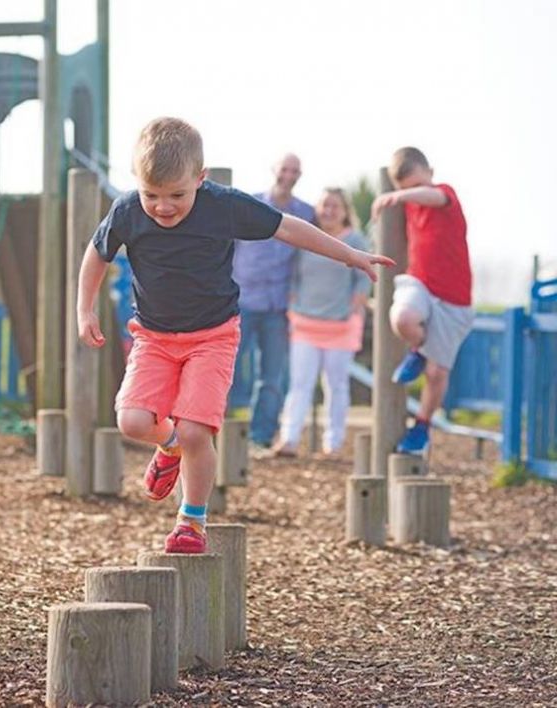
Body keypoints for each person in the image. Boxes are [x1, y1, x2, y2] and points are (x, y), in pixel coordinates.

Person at [76, 117, 393, 553]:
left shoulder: (221, 206)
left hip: (212, 336)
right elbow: (97, 253)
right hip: (153, 337)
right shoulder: (128, 211)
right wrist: (85, 308)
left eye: (177, 195)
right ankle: (168, 446)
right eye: (152, 195)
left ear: (200, 179)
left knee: (195, 431)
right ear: (137, 182)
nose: (163, 207)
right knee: (132, 422)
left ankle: (191, 520)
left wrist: (347, 254)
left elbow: (286, 227)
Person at [372, 147, 474, 455]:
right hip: (420, 283)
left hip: (454, 300)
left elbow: (431, 196)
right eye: (405, 188)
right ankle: (418, 349)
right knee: (402, 318)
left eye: (417, 184)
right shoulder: (407, 205)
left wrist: (401, 195)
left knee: (436, 373)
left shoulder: (443, 194)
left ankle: (422, 426)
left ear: (430, 172)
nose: (412, 193)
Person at [273, 188, 371, 457]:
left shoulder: (355, 240)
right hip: (305, 323)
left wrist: (355, 307)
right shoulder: (307, 237)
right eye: (325, 205)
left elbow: (363, 279)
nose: (329, 211)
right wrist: (293, 304)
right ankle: (290, 439)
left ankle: (334, 444)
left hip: (341, 325)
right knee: (300, 384)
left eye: (335, 206)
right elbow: (294, 276)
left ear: (345, 211)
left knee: (337, 386)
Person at [232, 154, 315, 451]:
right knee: (224, 368)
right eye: (284, 169)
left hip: (278, 306)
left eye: (295, 171)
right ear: (274, 170)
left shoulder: (306, 212)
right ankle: (215, 433)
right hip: (240, 300)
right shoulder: (249, 204)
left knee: (271, 376)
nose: (288, 175)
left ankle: (260, 437)